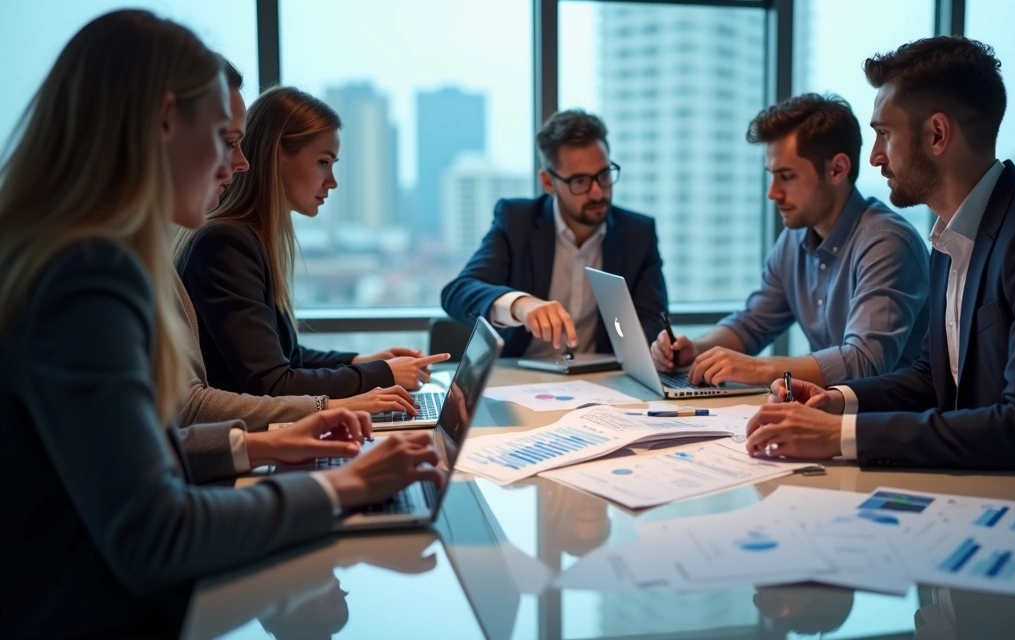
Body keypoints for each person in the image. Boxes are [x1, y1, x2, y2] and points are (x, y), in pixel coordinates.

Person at [0, 12, 442, 636]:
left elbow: (127, 456)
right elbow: (155, 534)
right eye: (221, 137)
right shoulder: (88, 277)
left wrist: (262, 443)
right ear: (161, 120)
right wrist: (342, 487)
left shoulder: (68, 255)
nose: (233, 165)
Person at [744, 36, 1015, 502]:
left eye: (885, 133)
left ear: (937, 134)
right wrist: (842, 402)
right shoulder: (952, 235)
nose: (874, 156)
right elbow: (933, 377)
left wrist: (840, 437)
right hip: (996, 493)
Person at [175, 59, 417, 435]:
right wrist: (378, 374)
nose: (332, 181)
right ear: (276, 157)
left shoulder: (252, 237)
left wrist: (361, 360)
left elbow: (287, 356)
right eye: (323, 162)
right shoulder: (225, 242)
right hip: (243, 437)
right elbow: (272, 383)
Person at [652, 94, 930, 388]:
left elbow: (864, 363)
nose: (773, 193)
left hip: (887, 424)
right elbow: (752, 324)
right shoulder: (794, 238)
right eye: (772, 176)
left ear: (837, 169)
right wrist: (697, 350)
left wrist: (759, 369)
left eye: (786, 176)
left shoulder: (886, 243)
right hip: (828, 415)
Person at [441, 109, 669, 359]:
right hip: (521, 377)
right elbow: (458, 291)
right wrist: (520, 304)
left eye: (604, 175)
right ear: (548, 182)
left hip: (605, 382)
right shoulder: (518, 221)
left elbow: (652, 322)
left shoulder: (637, 233)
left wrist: (660, 348)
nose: (597, 192)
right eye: (580, 181)